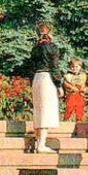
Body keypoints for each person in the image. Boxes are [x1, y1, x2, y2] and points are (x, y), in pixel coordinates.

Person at [29, 23, 63, 153]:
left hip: (36, 79)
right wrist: (59, 85)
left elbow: (30, 68)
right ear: (50, 34)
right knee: (46, 111)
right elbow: (54, 67)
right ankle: (42, 144)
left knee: (38, 110)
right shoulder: (52, 48)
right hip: (47, 79)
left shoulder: (35, 48)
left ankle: (38, 142)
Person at [63, 57, 88, 123]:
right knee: (69, 107)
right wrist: (71, 87)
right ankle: (67, 119)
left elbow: (86, 84)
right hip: (72, 94)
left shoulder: (83, 75)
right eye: (72, 67)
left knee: (80, 108)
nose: (74, 68)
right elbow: (65, 83)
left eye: (76, 67)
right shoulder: (68, 75)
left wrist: (84, 89)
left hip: (80, 94)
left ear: (80, 67)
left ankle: (79, 120)